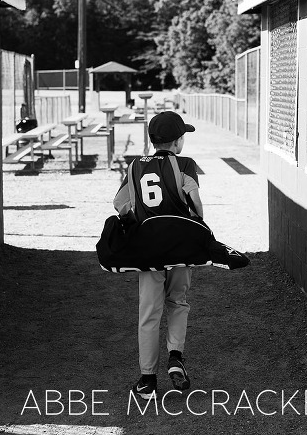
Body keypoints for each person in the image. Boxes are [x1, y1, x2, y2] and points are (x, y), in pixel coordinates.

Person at [113, 111, 203, 400]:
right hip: (180, 245)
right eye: (182, 137)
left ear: (153, 141)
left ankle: (147, 379)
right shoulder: (186, 164)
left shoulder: (135, 166)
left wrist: (133, 222)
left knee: (149, 312)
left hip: (150, 249)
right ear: (176, 143)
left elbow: (120, 203)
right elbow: (195, 204)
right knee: (178, 301)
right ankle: (175, 357)